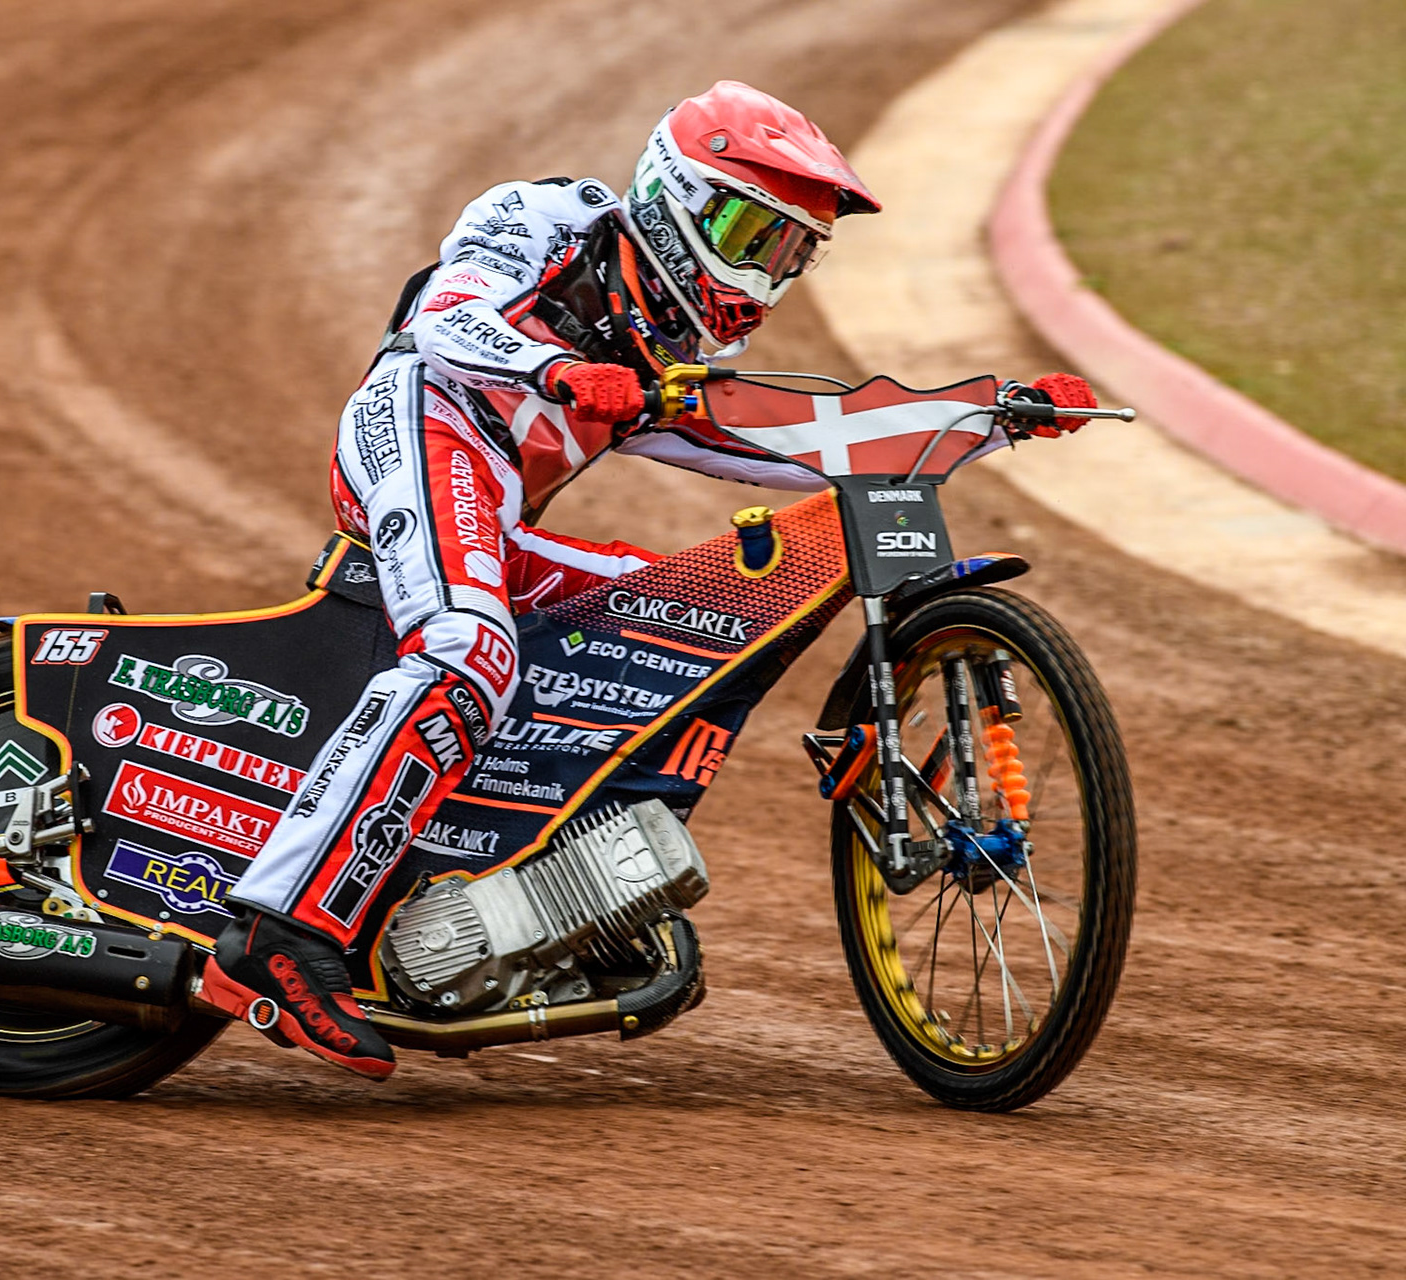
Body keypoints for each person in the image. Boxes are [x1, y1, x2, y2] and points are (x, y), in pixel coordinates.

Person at [196, 80, 1097, 1079]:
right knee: (469, 651)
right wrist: (556, 370)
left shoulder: (676, 346)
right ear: (680, 198)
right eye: (754, 233)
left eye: (789, 250)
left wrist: (988, 415)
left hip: (496, 505)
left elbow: (792, 441)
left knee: (672, 620)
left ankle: (547, 885)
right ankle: (278, 929)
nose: (766, 269)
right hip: (422, 424)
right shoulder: (548, 216)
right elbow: (451, 318)